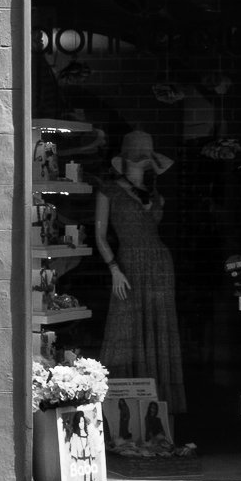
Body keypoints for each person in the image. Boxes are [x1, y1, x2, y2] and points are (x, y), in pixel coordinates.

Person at [92, 130, 186, 414]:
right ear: (127, 160)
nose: (143, 164)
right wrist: (114, 269)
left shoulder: (157, 195)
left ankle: (157, 408)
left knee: (157, 326)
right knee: (125, 327)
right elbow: (100, 235)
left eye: (146, 159)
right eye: (139, 158)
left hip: (159, 265)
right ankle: (119, 406)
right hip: (128, 264)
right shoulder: (109, 191)